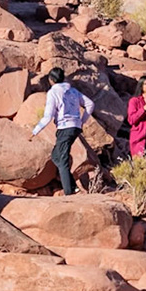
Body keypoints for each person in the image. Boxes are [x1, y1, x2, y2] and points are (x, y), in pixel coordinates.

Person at [31, 67, 95, 196]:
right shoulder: (73, 91)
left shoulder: (53, 92)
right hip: (75, 127)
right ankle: (72, 185)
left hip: (65, 128)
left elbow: (48, 116)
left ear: (51, 79)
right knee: (56, 155)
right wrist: (81, 121)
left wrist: (35, 131)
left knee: (62, 158)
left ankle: (69, 192)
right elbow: (90, 104)